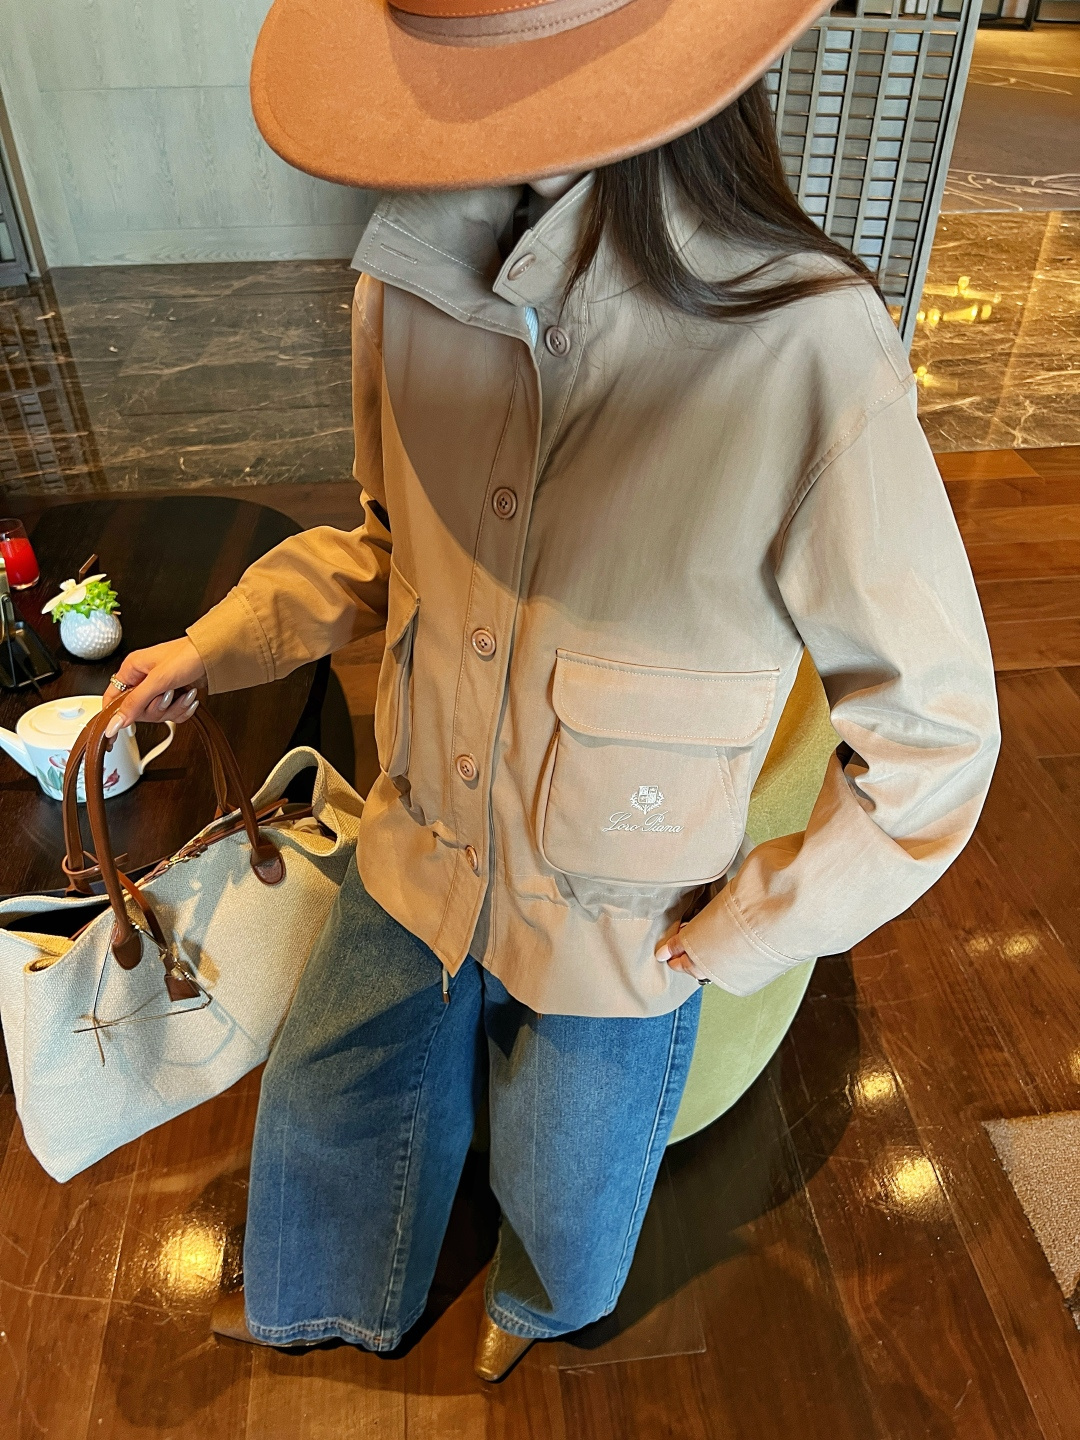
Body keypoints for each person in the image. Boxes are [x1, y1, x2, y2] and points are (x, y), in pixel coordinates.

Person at [109, 0, 1000, 1384]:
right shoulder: (404, 284)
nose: (466, 101)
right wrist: (216, 646)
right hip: (423, 834)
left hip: (628, 906)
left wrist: (748, 929)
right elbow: (389, 544)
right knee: (328, 1091)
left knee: (569, 1182)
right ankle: (332, 1289)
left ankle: (532, 1305)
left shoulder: (805, 348)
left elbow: (934, 737)